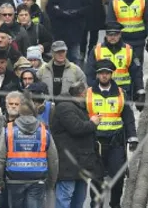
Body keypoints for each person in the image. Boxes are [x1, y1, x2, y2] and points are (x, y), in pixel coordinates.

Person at [0, 100, 56, 208]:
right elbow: (53, 159)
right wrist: (51, 182)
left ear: (19, 112)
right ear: (35, 112)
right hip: (37, 178)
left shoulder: (9, 130)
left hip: (14, 177)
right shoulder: (44, 130)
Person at [88, 61, 136, 208]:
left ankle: (115, 204)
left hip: (116, 143)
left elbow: (128, 117)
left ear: (111, 74)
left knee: (118, 176)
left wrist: (132, 136)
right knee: (97, 178)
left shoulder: (121, 94)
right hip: (96, 143)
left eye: (107, 73)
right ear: (97, 75)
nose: (104, 75)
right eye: (101, 73)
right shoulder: (88, 93)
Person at [51, 81, 101, 208]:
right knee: (65, 197)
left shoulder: (76, 107)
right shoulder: (65, 107)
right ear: (83, 93)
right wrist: (93, 123)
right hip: (68, 163)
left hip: (80, 162)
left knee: (79, 198)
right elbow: (76, 128)